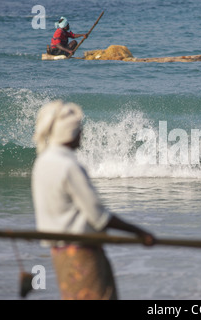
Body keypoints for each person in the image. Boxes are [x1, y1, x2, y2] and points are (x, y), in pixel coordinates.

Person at [31, 100, 156, 300]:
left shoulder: (42, 162)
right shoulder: (69, 166)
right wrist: (140, 232)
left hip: (60, 254)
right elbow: (99, 217)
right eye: (79, 130)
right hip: (83, 253)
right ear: (68, 133)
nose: (82, 134)